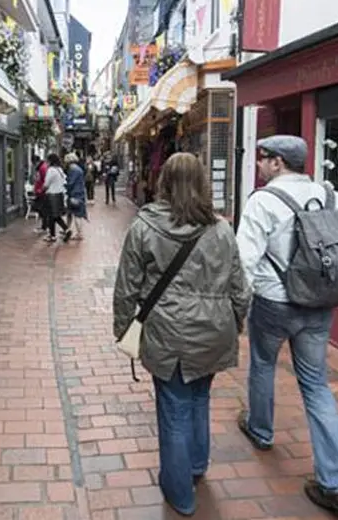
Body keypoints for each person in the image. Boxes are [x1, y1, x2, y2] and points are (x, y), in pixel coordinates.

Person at [113, 152, 250, 517]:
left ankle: (180, 494)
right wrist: (235, 323)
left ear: (165, 182)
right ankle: (195, 466)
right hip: (213, 331)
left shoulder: (144, 227)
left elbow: (126, 287)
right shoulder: (221, 229)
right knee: (199, 399)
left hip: (168, 334)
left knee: (174, 410)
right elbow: (241, 288)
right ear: (203, 184)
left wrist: (124, 331)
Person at [235, 135, 338, 517]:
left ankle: (261, 430)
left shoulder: (263, 200)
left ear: (277, 163)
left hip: (275, 302)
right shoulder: (327, 195)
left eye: (263, 159)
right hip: (320, 304)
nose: (259, 165)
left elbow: (244, 259)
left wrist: (238, 306)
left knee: (262, 364)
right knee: (316, 385)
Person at [43, 153, 72, 243]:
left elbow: (46, 184)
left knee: (51, 215)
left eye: (47, 160)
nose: (46, 162)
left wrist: (42, 189)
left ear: (50, 161)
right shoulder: (59, 169)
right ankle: (65, 231)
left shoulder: (51, 170)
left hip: (52, 195)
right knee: (55, 216)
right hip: (59, 194)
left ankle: (53, 236)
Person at [64, 152, 88, 239]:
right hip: (79, 193)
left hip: (75, 194)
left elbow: (71, 183)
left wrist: (65, 186)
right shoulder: (78, 169)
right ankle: (67, 229)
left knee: (76, 215)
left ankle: (79, 233)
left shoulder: (73, 169)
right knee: (70, 214)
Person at [32, 154, 49, 235]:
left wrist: (40, 190)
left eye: (34, 163)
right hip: (40, 192)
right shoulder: (41, 168)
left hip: (42, 193)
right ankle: (44, 226)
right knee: (40, 209)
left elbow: (45, 181)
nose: (34, 165)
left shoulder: (43, 168)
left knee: (41, 209)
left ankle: (45, 227)